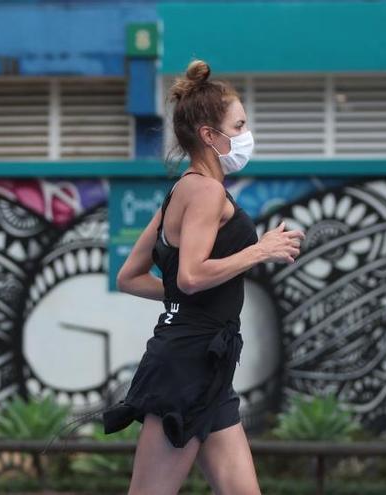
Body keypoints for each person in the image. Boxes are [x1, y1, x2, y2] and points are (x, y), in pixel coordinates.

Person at [102, 59, 305, 495]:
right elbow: (191, 275)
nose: (247, 135)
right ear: (210, 136)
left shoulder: (181, 190)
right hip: (186, 365)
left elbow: (130, 277)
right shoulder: (207, 193)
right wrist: (259, 250)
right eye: (240, 124)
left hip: (209, 364)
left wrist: (182, 299)